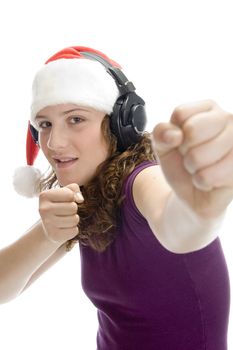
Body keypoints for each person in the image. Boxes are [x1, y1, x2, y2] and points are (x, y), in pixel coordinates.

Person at [0, 46, 232, 349]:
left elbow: (179, 226)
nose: (54, 143)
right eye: (45, 125)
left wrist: (203, 206)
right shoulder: (84, 196)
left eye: (75, 119)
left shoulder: (142, 180)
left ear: (120, 123)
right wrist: (47, 234)